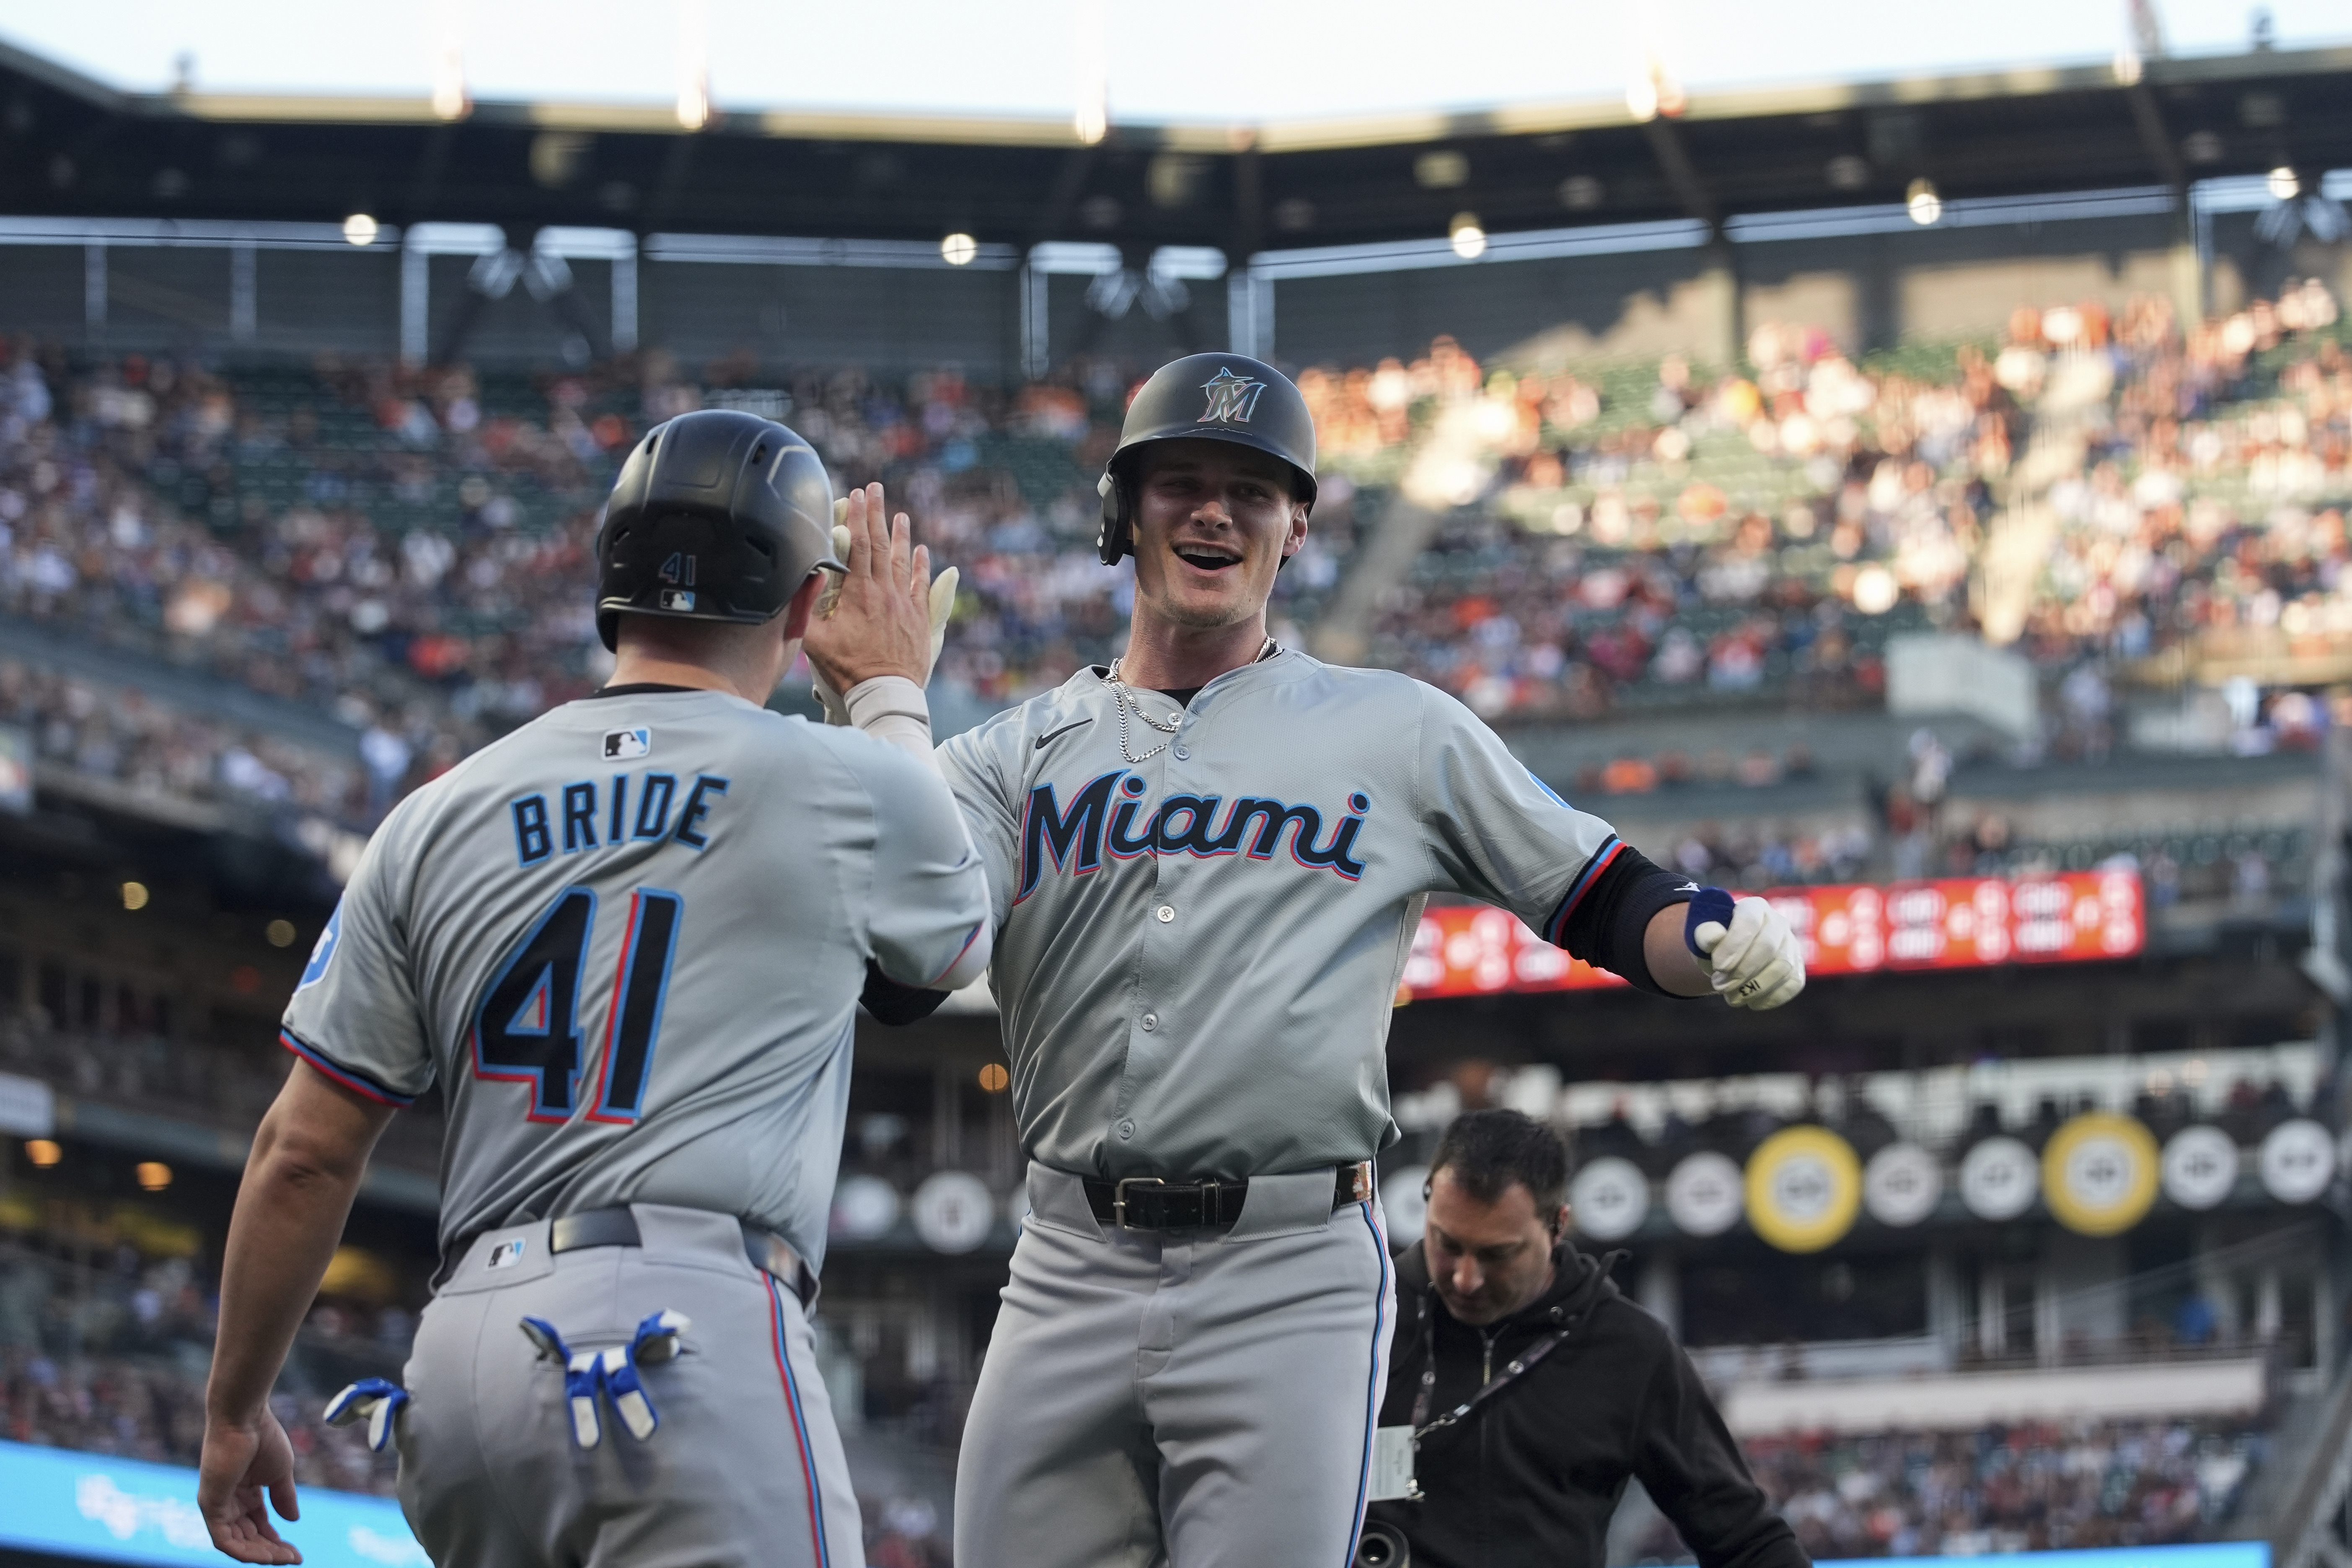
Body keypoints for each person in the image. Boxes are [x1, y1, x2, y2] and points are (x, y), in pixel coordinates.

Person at [806, 352, 1807, 1568]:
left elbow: (1602, 895)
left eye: (1252, 488)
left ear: (1293, 529)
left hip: (1286, 1268)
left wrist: (1709, 938)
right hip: (1065, 1255)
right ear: (1122, 514)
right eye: (1179, 481)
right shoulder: (1009, 756)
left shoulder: (1395, 727)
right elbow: (906, 975)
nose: (1215, 510)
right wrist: (878, 708)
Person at [196, 409, 989, 1568]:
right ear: (805, 605)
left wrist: (232, 1405)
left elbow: (303, 1151)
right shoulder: (843, 775)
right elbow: (951, 944)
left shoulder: (436, 811)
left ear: (608, 585)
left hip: (463, 1361)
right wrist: (886, 694)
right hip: (687, 1328)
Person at [1369, 1110, 1807, 1568]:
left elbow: (1746, 1539)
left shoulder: (1628, 1351)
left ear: (1558, 1225)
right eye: (1448, 1243)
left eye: (1498, 1254)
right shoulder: (1366, 1322)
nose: (1465, 1278)